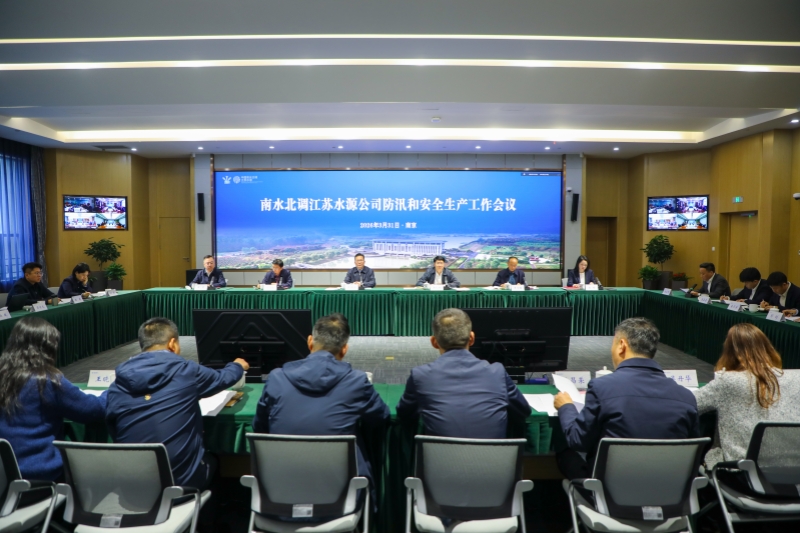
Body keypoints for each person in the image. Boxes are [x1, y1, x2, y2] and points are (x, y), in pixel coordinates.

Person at [106, 317, 249, 489]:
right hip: (180, 482)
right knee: (213, 459)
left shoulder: (118, 383)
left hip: (132, 484)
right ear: (172, 344)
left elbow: (112, 427)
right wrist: (237, 365)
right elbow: (223, 378)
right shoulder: (186, 371)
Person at [253, 313, 389, 491]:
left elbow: (260, 428)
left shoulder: (276, 378)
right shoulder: (357, 381)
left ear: (310, 341)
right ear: (344, 349)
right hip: (342, 495)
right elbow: (381, 417)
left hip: (279, 491)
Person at [553, 317, 699, 480]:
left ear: (622, 345)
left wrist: (566, 407)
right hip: (670, 488)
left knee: (565, 452)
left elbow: (578, 440)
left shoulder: (601, 388)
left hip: (610, 489)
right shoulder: (686, 397)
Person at [0, 316, 106, 481]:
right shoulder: (46, 381)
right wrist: (112, 390)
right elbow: (93, 409)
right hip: (40, 475)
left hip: (4, 476)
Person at [396, 308, 531, 438]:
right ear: (471, 338)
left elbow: (404, 414)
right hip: (495, 455)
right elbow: (523, 411)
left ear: (434, 342)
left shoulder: (420, 375)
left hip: (439, 455)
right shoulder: (497, 372)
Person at [693, 323, 800, 468]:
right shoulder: (796, 378)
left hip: (740, 470)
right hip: (792, 469)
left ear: (729, 352)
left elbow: (691, 404)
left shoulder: (727, 381)